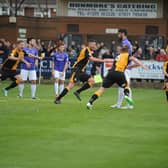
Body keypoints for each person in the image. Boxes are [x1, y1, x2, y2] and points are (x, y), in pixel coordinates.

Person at [86, 45, 148, 110]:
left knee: (102, 89)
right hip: (120, 73)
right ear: (128, 51)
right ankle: (127, 96)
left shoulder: (118, 56)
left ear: (121, 50)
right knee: (126, 86)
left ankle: (90, 102)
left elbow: (125, 64)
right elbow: (135, 60)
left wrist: (129, 66)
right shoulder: (128, 56)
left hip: (111, 73)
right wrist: (143, 66)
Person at [54, 39, 107, 104]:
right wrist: (103, 61)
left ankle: (78, 92)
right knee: (70, 85)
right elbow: (91, 59)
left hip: (81, 71)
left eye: (95, 45)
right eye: (93, 44)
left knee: (92, 81)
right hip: (76, 70)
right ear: (89, 44)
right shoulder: (86, 49)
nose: (94, 46)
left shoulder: (90, 51)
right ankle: (58, 99)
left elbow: (93, 55)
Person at [111, 29, 134, 109]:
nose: (118, 35)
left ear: (123, 34)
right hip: (124, 66)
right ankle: (118, 104)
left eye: (119, 34)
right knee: (121, 86)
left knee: (126, 86)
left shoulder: (125, 43)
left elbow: (128, 55)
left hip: (126, 67)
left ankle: (129, 105)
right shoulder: (125, 42)